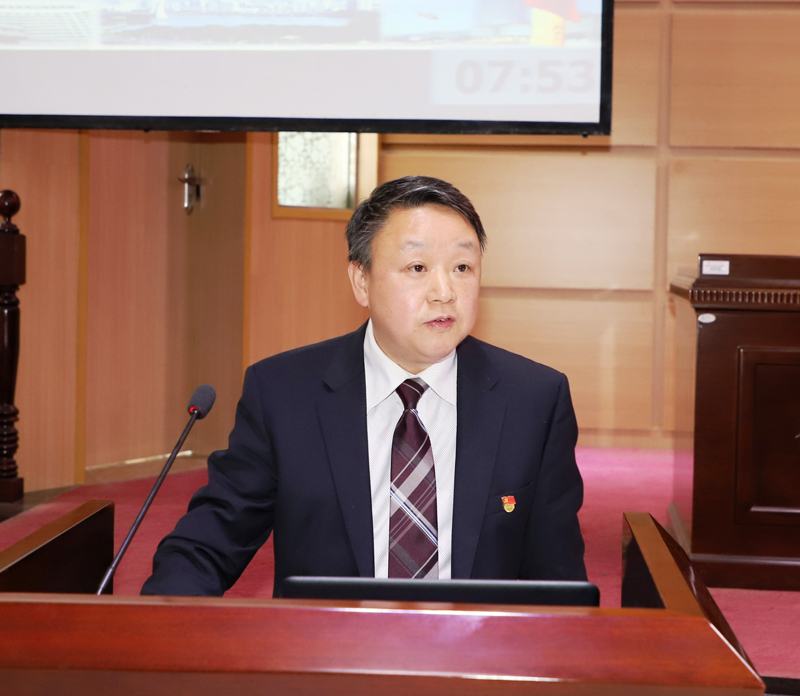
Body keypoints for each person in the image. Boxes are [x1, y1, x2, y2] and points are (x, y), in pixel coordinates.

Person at [141, 175, 586, 596]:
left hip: (474, 647)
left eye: (463, 267)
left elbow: (558, 580)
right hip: (330, 647)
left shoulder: (533, 400)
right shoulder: (283, 394)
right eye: (417, 267)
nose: (445, 292)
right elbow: (207, 545)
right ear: (361, 281)